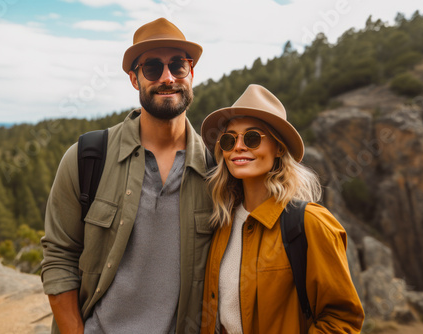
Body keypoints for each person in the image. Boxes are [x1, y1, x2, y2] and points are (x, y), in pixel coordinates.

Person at [41, 18, 214, 334]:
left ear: (191, 73)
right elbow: (59, 259)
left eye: (178, 65)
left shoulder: (217, 171)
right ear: (135, 79)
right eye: (152, 68)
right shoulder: (86, 158)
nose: (167, 77)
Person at [199, 84, 365, 333]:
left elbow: (341, 321)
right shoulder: (222, 222)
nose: (239, 147)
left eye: (253, 137)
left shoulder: (309, 223)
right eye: (229, 139)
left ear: (278, 148)